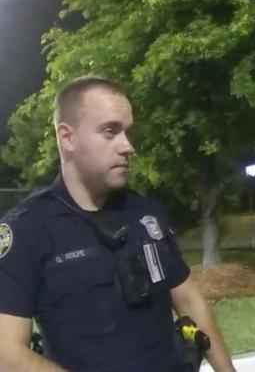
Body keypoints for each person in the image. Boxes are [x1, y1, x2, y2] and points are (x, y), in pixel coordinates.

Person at [0, 76, 236, 372]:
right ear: (67, 137)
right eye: (110, 132)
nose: (128, 146)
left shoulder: (146, 213)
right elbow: (7, 355)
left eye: (127, 132)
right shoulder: (27, 230)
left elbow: (189, 300)